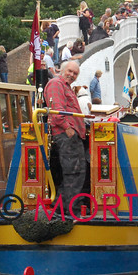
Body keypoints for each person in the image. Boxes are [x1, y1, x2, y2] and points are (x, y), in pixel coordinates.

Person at [44, 61, 87, 216]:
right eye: (70, 71)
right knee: (74, 172)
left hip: (69, 134)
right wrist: (68, 129)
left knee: (76, 172)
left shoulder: (64, 86)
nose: (72, 75)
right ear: (61, 70)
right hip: (66, 135)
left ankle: (65, 208)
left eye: (75, 73)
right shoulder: (56, 84)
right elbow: (57, 110)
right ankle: (68, 210)